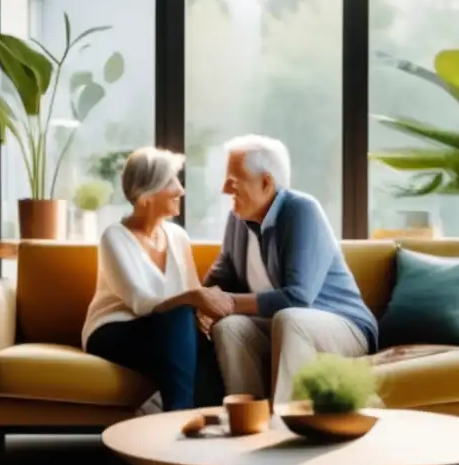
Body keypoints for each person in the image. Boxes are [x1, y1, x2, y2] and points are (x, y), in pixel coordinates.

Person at [203, 135, 378, 405]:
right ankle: (248, 419)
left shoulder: (300, 210)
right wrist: (201, 303)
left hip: (343, 326)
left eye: (233, 181)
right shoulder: (237, 220)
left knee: (290, 317)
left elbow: (298, 298)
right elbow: (219, 278)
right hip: (284, 325)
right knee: (230, 327)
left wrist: (225, 302)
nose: (225, 190)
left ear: (266, 182)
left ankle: (283, 425)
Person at [82, 147, 231, 411]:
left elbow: (191, 292)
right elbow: (140, 302)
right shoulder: (114, 237)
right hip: (115, 331)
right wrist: (194, 298)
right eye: (172, 181)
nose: (181, 190)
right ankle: (175, 417)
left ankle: (210, 423)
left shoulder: (177, 236)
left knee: (206, 343)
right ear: (145, 195)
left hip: (168, 328)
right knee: (179, 318)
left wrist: (210, 314)